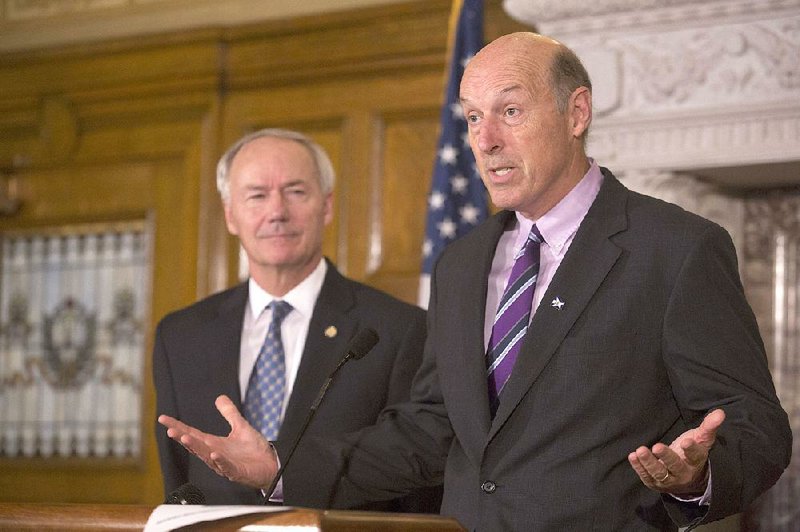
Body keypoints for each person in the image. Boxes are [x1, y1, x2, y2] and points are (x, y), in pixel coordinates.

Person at [159, 33, 792, 530]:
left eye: (510, 111)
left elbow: (757, 429)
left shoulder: (676, 248)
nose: (485, 140)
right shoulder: (462, 264)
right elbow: (432, 430)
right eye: (471, 118)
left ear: (577, 113)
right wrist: (279, 463)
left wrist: (692, 476)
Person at [153, 128, 441, 512]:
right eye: (257, 195)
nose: (277, 212)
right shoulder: (180, 336)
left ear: (326, 206)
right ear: (230, 215)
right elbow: (182, 487)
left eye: (296, 192)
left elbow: (413, 476)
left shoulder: (398, 330)